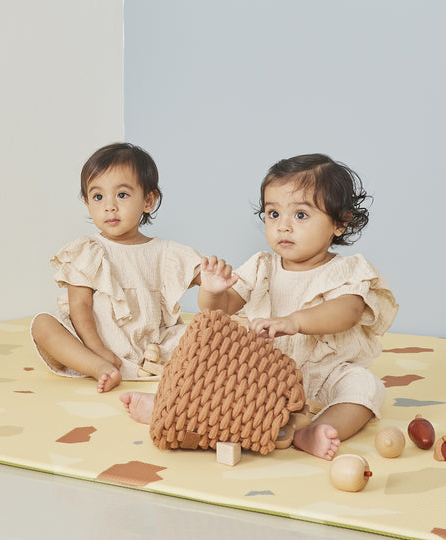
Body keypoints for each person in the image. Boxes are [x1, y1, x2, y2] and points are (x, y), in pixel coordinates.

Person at [121, 153, 398, 460]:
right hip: (260, 376)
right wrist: (212, 291)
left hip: (326, 373)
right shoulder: (262, 266)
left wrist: (294, 321)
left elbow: (348, 311)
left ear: (340, 223)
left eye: (300, 215)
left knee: (366, 388)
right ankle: (171, 408)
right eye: (273, 214)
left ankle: (314, 430)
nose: (283, 226)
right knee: (211, 378)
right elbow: (220, 310)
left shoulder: (347, 270)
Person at [31, 143, 202, 393]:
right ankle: (97, 367)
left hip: (154, 345)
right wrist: (97, 349)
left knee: (206, 331)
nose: (109, 206)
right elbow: (80, 306)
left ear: (148, 200)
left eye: (121, 195)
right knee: (42, 324)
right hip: (94, 342)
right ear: (87, 203)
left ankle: (154, 367)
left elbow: (203, 275)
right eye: (98, 197)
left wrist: (215, 275)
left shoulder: (165, 252)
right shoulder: (88, 250)